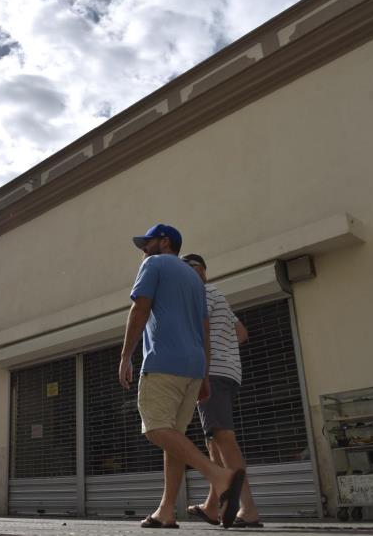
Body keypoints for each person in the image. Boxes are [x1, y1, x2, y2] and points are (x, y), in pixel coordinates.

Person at [118, 224, 244, 529]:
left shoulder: (154, 264)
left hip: (164, 361)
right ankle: (166, 511)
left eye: (147, 243)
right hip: (193, 366)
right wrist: (204, 374)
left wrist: (125, 356)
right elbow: (204, 328)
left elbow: (140, 310)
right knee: (173, 438)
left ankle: (220, 476)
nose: (143, 249)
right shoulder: (194, 278)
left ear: (164, 242)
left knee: (155, 428)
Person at [183, 253, 262, 528]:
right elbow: (241, 332)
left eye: (190, 268)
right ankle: (212, 506)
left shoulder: (202, 292)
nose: (187, 274)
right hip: (228, 373)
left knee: (223, 437)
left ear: (202, 270)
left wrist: (210, 358)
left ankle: (248, 509)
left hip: (212, 373)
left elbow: (196, 330)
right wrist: (226, 353)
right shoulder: (219, 296)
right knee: (213, 439)